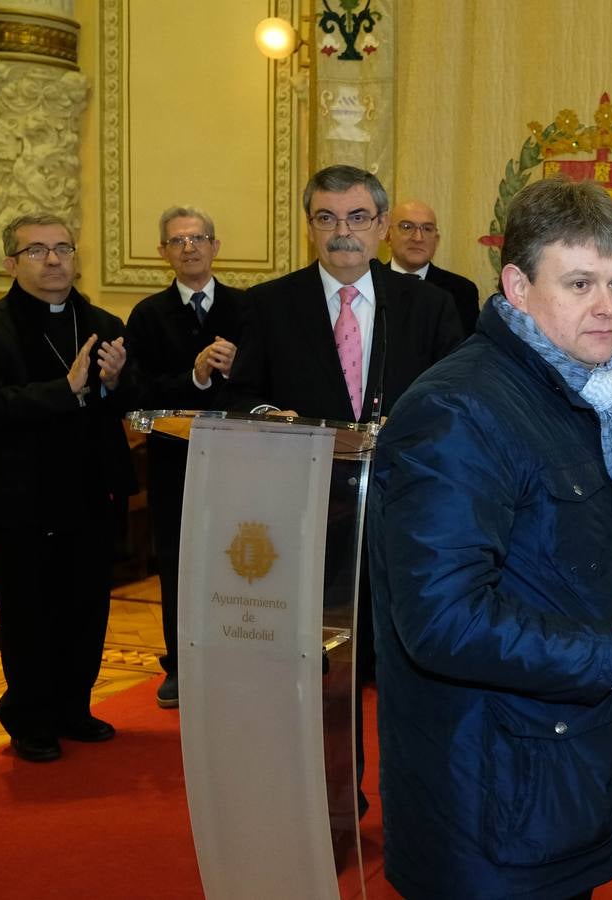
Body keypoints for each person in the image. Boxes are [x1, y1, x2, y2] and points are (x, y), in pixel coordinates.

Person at [367, 177, 612, 899]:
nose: (606, 307)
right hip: (492, 792)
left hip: (554, 772)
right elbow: (442, 620)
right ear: (516, 286)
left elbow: (580, 561)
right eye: (579, 283)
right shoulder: (460, 409)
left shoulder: (583, 387)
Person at [222, 164, 462, 815]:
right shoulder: (269, 304)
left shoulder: (430, 307)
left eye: (357, 218)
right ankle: (332, 791)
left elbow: (460, 403)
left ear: (383, 227)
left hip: (409, 517)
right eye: (325, 219)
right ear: (310, 228)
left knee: (412, 660)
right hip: (311, 518)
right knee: (323, 668)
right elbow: (242, 394)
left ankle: (416, 795)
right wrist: (271, 417)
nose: (342, 233)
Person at [0, 213, 137, 762]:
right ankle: (30, 720)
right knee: (28, 612)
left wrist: (115, 382)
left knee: (85, 607)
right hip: (19, 497)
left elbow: (131, 404)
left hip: (89, 493)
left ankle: (75, 708)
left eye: (63, 249)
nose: (53, 260)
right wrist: (64, 388)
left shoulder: (101, 321)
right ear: (11, 263)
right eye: (37, 251)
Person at [125, 206, 246, 709]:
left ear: (216, 247)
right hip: (176, 462)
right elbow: (138, 392)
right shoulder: (148, 316)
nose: (189, 248)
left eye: (199, 238)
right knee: (178, 562)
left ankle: (236, 657)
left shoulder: (247, 307)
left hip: (242, 459)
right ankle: (180, 665)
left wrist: (240, 368)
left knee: (240, 560)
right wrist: (195, 377)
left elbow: (274, 379)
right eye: (177, 241)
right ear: (163, 254)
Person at [386, 198, 481, 335]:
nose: (418, 238)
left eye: (427, 229)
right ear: (388, 236)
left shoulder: (462, 291)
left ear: (436, 241)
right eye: (407, 227)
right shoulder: (370, 284)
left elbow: (465, 352)